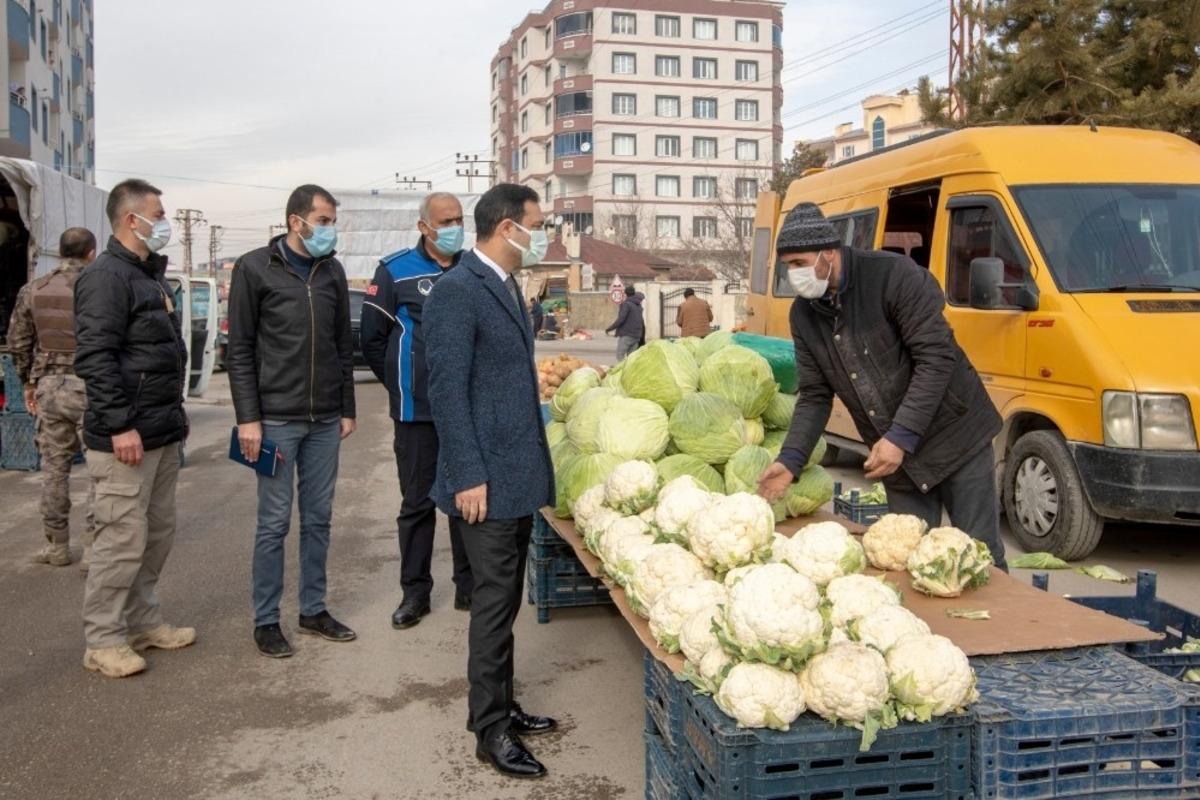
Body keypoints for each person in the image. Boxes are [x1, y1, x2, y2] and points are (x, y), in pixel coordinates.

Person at [756, 202, 1007, 569]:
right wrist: (791, 460)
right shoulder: (805, 315)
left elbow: (936, 359)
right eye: (787, 266)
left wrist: (899, 437)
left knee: (979, 558)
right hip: (894, 456)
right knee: (908, 560)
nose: (794, 275)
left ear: (829, 252)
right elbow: (815, 395)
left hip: (956, 437)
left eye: (799, 263)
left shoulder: (893, 277)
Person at [424, 183, 558, 780]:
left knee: (503, 605)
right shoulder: (458, 290)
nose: (542, 234)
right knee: (492, 606)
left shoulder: (504, 284)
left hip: (515, 472)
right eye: (537, 223)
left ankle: (502, 704)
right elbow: (447, 391)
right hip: (486, 480)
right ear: (508, 227)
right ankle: (490, 731)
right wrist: (468, 474)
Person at [228, 184, 358, 659]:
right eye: (323, 221)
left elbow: (342, 345)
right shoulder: (253, 268)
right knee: (273, 523)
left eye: (332, 222)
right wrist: (249, 419)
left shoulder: (332, 271)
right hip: (275, 421)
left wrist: (347, 407)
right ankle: (266, 620)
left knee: (319, 518)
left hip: (325, 420)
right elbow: (239, 350)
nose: (329, 230)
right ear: (295, 222)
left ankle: (313, 610)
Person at [74, 179, 194, 678]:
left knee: (155, 536)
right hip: (126, 438)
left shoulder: (149, 275)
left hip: (160, 432)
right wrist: (120, 424)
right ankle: (103, 640)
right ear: (131, 220)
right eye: (158, 214)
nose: (163, 222)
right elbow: (95, 357)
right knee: (120, 541)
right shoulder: (106, 277)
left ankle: (143, 623)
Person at [361, 192, 474, 631]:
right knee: (417, 503)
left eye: (459, 219)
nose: (454, 227)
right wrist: (403, 382)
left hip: (464, 408)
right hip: (416, 411)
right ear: (424, 226)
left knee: (467, 499)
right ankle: (415, 593)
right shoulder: (395, 270)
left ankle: (468, 586)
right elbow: (373, 340)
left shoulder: (472, 268)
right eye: (446, 221)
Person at [7, 227, 97, 570]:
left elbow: (18, 342)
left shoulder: (34, 289)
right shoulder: (99, 288)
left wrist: (28, 382)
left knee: (54, 469)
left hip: (50, 387)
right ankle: (94, 549)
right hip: (92, 386)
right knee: (100, 470)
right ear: (91, 253)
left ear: (60, 252)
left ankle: (57, 546)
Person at [605, 284, 644, 361]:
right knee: (631, 358)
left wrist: (610, 328)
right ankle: (630, 369)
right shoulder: (638, 305)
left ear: (625, 294)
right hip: (637, 335)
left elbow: (621, 319)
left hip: (627, 334)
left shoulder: (626, 304)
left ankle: (622, 369)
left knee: (620, 355)